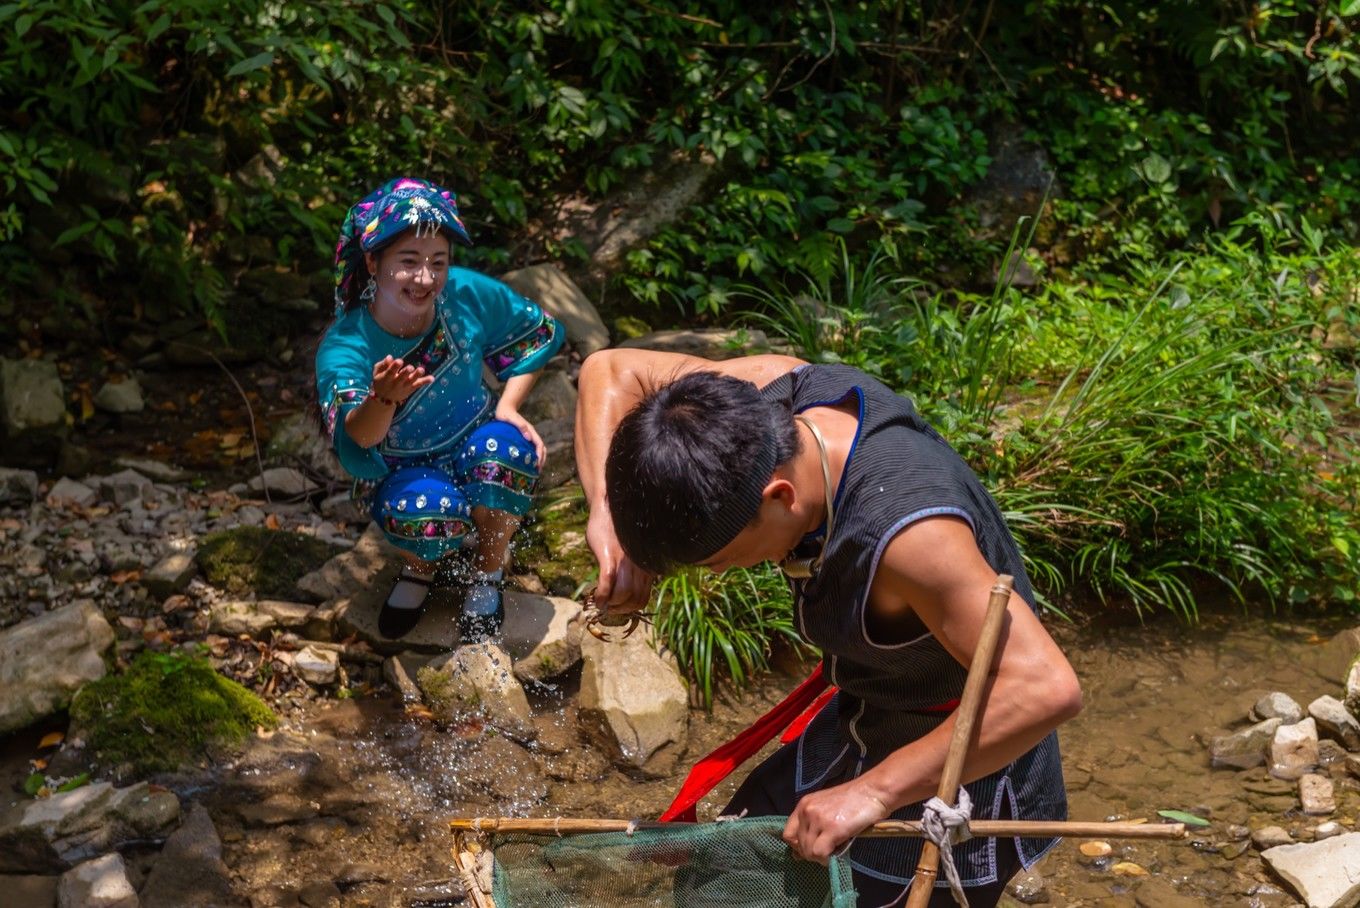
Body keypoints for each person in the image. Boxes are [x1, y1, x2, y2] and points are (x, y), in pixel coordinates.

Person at [574, 349, 1082, 907]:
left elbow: (1043, 688)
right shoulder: (769, 401)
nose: (716, 574)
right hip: (866, 712)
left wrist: (871, 793)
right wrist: (611, 518)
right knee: (717, 884)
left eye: (718, 560)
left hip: (966, 764)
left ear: (779, 499)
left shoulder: (912, 539)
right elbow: (611, 372)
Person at [316, 177, 563, 643]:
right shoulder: (347, 345)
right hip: (402, 469)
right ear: (373, 263)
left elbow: (538, 333)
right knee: (425, 510)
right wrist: (383, 398)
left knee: (507, 452)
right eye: (409, 262)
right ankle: (419, 568)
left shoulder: (466, 293)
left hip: (475, 438)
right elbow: (359, 440)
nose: (425, 279)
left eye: (438, 263)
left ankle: (487, 572)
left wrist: (509, 406)